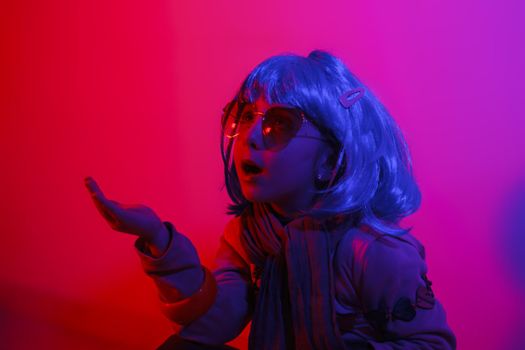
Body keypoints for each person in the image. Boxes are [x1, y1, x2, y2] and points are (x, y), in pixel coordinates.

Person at [85, 50, 457, 349]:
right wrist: (159, 241)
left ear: (329, 160)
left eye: (279, 124)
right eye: (245, 116)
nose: (250, 137)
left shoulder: (373, 251)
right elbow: (216, 320)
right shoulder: (248, 236)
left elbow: (431, 343)